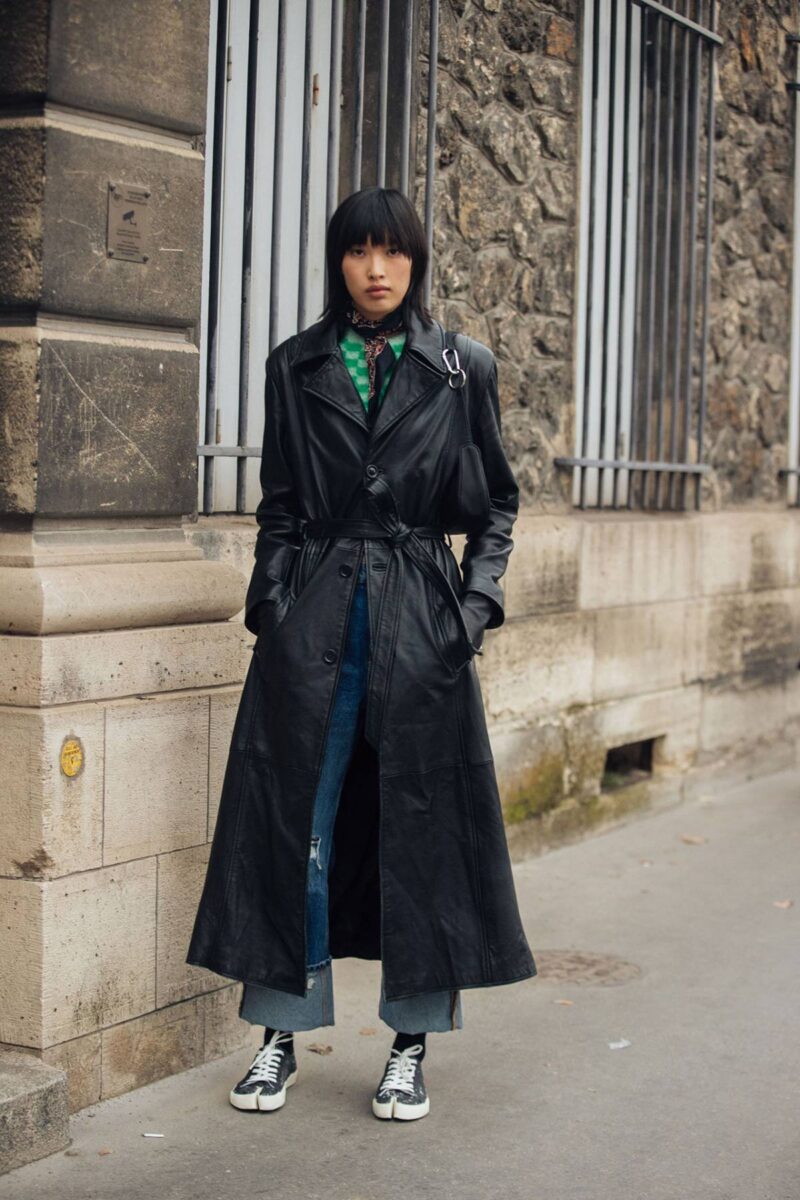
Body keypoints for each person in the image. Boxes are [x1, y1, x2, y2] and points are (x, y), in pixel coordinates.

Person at [185, 185, 537, 1121]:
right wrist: (272, 602)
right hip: (314, 630)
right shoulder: (295, 366)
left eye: (393, 251)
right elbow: (283, 505)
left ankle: (409, 1047)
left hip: (421, 626)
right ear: (338, 261)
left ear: (415, 262)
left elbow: (497, 504)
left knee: (421, 832)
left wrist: (471, 611)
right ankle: (278, 1039)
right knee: (292, 825)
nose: (376, 269)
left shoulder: (462, 368)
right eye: (357, 251)